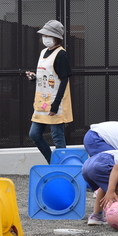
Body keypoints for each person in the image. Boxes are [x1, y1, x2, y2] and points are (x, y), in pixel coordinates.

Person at [26, 20, 73, 163]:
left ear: (56, 38)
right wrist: (34, 78)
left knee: (57, 137)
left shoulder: (61, 54)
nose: (45, 38)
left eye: (49, 35)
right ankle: (53, 162)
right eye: (44, 35)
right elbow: (47, 76)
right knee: (34, 134)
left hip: (55, 102)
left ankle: (64, 169)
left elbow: (64, 80)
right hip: (41, 102)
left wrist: (55, 103)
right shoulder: (42, 53)